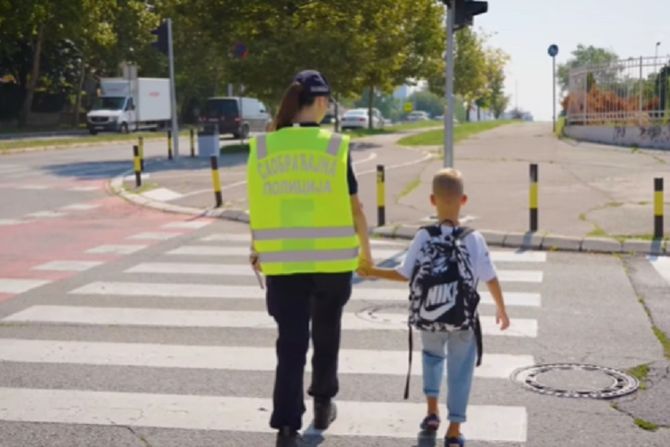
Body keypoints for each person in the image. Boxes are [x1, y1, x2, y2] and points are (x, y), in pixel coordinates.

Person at [246, 69, 373, 447]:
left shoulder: (265, 147)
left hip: (284, 264)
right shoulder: (333, 146)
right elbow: (356, 208)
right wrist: (366, 254)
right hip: (332, 264)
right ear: (319, 102)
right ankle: (321, 405)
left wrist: (256, 248)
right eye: (328, 102)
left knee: (291, 345)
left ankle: (287, 427)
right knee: (327, 334)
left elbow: (259, 204)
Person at [359, 168, 510, 447]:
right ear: (463, 200)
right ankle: (454, 430)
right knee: (460, 369)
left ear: (432, 200)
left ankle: (431, 412)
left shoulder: (423, 237)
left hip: (430, 316)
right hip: (462, 320)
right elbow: (490, 277)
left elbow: (404, 274)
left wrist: (373, 272)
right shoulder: (473, 238)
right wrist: (502, 309)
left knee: (431, 357)